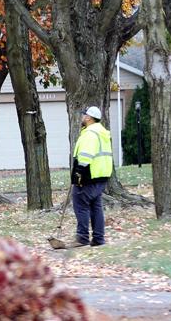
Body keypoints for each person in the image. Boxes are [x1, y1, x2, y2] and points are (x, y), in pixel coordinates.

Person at [68, 106, 114, 247]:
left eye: (84, 115)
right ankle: (98, 238)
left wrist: (79, 172)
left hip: (89, 174)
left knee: (80, 201)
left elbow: (86, 154)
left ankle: (82, 237)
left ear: (89, 118)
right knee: (95, 205)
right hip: (102, 174)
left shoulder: (90, 133)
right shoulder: (102, 132)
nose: (82, 117)